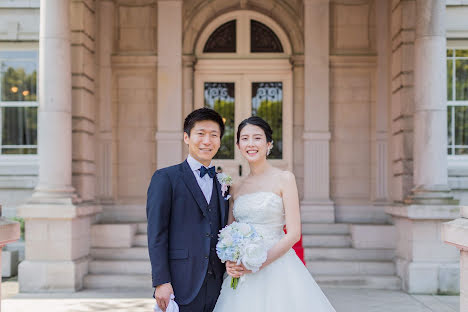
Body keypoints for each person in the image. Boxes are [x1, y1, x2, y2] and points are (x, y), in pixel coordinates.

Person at [213, 116, 336, 312]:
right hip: (243, 273)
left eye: (257, 138)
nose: (250, 144)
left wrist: (260, 262)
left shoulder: (284, 179)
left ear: (269, 144)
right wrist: (230, 262)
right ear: (237, 145)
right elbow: (229, 232)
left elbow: (294, 233)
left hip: (278, 267)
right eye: (244, 138)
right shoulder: (236, 187)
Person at [146, 108, 229, 312]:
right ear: (186, 137)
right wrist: (161, 281)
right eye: (200, 134)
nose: (207, 141)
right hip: (180, 282)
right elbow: (156, 233)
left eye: (214, 135)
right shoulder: (166, 178)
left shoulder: (222, 183)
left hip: (217, 284)